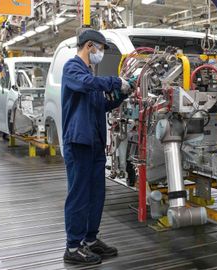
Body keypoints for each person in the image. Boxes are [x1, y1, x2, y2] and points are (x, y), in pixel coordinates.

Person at [61, 29, 132, 265]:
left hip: (95, 143)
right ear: (89, 46)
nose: (100, 54)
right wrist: (115, 81)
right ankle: (73, 247)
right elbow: (87, 84)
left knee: (96, 195)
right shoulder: (73, 69)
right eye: (100, 49)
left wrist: (122, 94)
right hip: (78, 142)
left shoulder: (90, 75)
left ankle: (90, 240)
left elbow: (101, 105)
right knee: (79, 195)